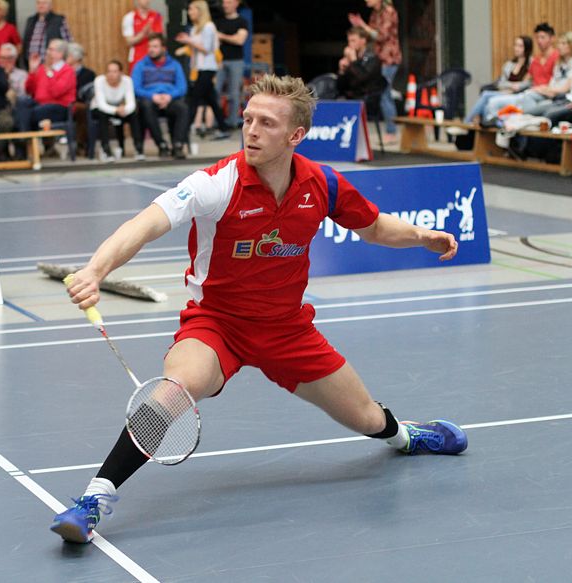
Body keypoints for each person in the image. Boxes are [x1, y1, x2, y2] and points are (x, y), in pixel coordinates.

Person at [50, 74, 467, 544]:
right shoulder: (215, 184)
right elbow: (146, 223)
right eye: (247, 119)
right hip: (217, 325)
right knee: (173, 391)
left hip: (288, 329)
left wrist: (421, 236)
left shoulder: (321, 183)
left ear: (296, 136)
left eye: (266, 123)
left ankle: (408, 438)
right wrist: (96, 270)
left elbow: (372, 227)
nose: (250, 130)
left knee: (367, 418)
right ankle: (94, 499)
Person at [176, 0, 231, 141]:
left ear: (200, 11)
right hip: (199, 68)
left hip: (208, 68)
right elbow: (195, 48)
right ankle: (224, 128)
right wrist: (186, 45)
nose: (190, 12)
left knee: (193, 100)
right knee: (211, 100)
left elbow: (206, 49)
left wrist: (189, 41)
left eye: (192, 10)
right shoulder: (195, 28)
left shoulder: (208, 27)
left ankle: (182, 134)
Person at [348, 0, 401, 143]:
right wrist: (359, 26)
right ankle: (390, 130)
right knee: (382, 94)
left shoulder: (388, 11)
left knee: (384, 94)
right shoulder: (375, 13)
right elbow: (370, 36)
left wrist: (363, 26)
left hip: (389, 59)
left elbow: (381, 36)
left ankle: (392, 132)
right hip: (378, 59)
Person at [132, 33, 189, 159]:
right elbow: (136, 88)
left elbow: (182, 87)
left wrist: (169, 96)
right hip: (150, 99)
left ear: (164, 49)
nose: (151, 50)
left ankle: (178, 145)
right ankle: (161, 145)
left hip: (170, 99)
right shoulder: (140, 65)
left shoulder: (175, 65)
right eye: (149, 47)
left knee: (183, 108)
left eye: (155, 46)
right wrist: (153, 96)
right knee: (146, 106)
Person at [16, 38, 75, 152]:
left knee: (26, 115)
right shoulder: (42, 68)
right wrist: (32, 71)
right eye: (48, 49)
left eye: (51, 49)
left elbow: (56, 92)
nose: (48, 52)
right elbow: (29, 90)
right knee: (21, 103)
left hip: (60, 107)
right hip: (40, 104)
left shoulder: (67, 70)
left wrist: (49, 72)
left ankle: (24, 143)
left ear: (60, 53)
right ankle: (24, 139)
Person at [465, 35, 532, 123]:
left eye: (520, 46)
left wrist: (515, 87)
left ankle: (467, 123)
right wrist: (512, 86)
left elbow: (528, 83)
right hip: (505, 93)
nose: (516, 48)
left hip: (519, 95)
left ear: (527, 48)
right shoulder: (509, 64)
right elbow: (501, 83)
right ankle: (479, 128)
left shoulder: (531, 64)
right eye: (515, 45)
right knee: (486, 104)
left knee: (486, 95)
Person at [91, 59, 143, 161]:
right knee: (102, 115)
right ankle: (106, 150)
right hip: (99, 109)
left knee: (134, 114)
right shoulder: (99, 81)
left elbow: (131, 103)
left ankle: (139, 149)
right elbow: (101, 104)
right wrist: (116, 110)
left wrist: (124, 110)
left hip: (119, 109)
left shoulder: (127, 81)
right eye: (109, 71)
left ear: (121, 73)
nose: (111, 74)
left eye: (114, 71)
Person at [214, 0, 248, 129]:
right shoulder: (218, 21)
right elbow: (214, 40)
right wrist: (231, 38)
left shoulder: (242, 21)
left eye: (228, 2)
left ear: (236, 4)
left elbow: (240, 40)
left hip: (236, 61)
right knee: (216, 92)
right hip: (220, 61)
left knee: (234, 93)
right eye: (224, 3)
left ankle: (233, 122)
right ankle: (218, 122)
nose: (224, 5)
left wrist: (221, 36)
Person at [336, 27, 385, 101]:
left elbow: (363, 79)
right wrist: (341, 71)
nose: (350, 44)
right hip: (353, 97)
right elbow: (340, 87)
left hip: (368, 98)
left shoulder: (372, 58)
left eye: (353, 41)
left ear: (363, 41)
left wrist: (353, 60)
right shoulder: (350, 58)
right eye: (349, 41)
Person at [21, 0, 72, 68]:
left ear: (50, 6)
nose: (41, 5)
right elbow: (26, 42)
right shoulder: (30, 20)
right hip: (32, 64)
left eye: (44, 3)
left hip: (51, 63)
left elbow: (68, 42)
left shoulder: (58, 20)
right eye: (38, 3)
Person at [122, 0, 164, 74]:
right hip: (137, 58)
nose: (147, 1)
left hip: (154, 58)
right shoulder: (129, 17)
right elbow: (129, 41)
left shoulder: (156, 15)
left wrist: (150, 32)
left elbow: (159, 38)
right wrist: (143, 33)